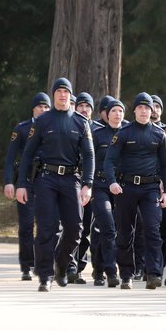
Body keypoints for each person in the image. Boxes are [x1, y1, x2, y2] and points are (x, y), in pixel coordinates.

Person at [16, 78, 95, 292]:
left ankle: (61, 263)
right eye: (59, 91)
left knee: (75, 228)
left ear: (70, 96)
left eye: (66, 92)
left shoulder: (80, 122)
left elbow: (88, 155)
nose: (62, 95)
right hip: (46, 179)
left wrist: (88, 184)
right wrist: (22, 184)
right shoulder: (42, 121)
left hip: (72, 179)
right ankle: (45, 276)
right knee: (46, 228)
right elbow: (28, 154)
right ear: (53, 95)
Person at [103, 92, 166, 290]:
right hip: (126, 188)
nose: (144, 111)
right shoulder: (124, 133)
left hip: (150, 188)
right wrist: (112, 182)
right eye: (140, 107)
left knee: (152, 229)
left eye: (147, 108)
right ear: (134, 110)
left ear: (152, 111)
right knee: (125, 232)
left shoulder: (159, 134)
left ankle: (154, 273)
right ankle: (126, 274)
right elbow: (110, 160)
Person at [2, 92, 51, 281]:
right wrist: (8, 182)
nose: (43, 110)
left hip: (46, 181)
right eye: (40, 106)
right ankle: (26, 265)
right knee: (27, 225)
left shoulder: (51, 126)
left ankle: (43, 263)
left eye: (47, 107)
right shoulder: (22, 128)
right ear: (33, 108)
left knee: (46, 225)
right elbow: (10, 157)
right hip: (26, 182)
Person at [66, 92, 102, 284]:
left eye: (88, 106)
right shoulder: (72, 125)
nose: (84, 109)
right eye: (81, 105)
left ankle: (79, 268)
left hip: (91, 184)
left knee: (86, 227)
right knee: (72, 226)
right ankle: (69, 266)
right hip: (72, 181)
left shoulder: (96, 129)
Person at [90, 98, 125, 287]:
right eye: (114, 111)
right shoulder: (98, 134)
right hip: (101, 185)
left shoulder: (128, 133)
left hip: (122, 187)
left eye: (120, 111)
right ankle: (110, 271)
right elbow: (88, 160)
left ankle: (99, 268)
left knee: (116, 230)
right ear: (107, 114)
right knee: (107, 226)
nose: (117, 114)